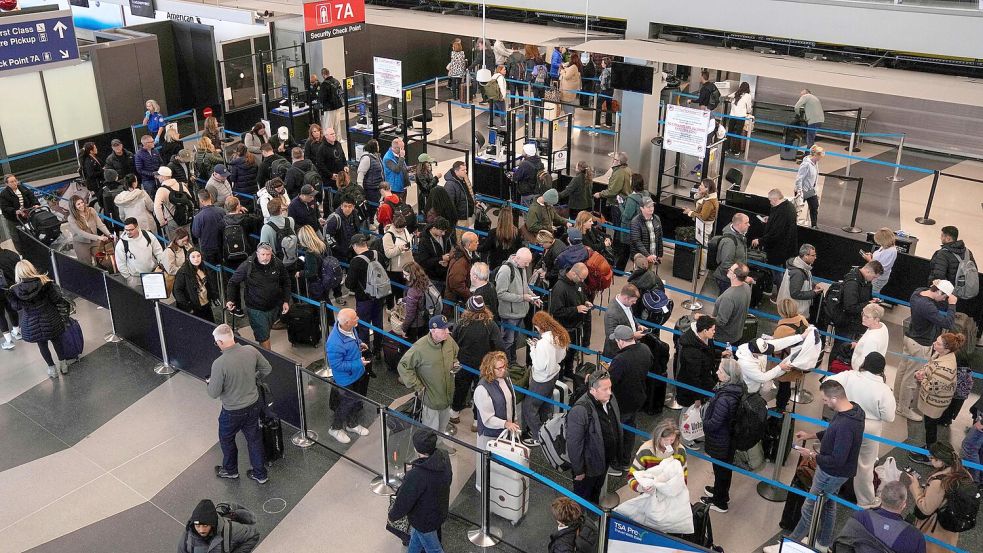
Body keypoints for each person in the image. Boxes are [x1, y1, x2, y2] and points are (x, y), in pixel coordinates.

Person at [762, 380, 865, 553]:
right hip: (840, 473)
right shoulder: (853, 410)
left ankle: (789, 545)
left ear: (834, 398)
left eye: (825, 400)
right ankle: (822, 543)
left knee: (809, 508)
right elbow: (832, 432)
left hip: (830, 473)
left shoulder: (845, 425)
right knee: (828, 505)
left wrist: (811, 455)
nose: (824, 403)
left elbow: (837, 459)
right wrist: (811, 435)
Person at [828, 352, 896, 508]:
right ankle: (865, 501)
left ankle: (829, 490)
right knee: (865, 464)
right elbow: (889, 417)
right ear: (882, 370)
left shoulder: (849, 376)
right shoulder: (884, 390)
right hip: (869, 427)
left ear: (865, 363)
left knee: (838, 455)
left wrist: (838, 403)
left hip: (845, 420)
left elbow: (827, 383)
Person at [207, 323, 272, 484]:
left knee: (226, 438)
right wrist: (253, 378)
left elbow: (213, 393)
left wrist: (210, 383)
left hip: (232, 410)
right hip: (254, 404)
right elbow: (267, 369)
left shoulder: (219, 363)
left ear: (220, 342)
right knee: (254, 439)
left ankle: (231, 470)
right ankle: (260, 474)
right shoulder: (250, 350)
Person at [896, 281, 958, 421]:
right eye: (944, 297)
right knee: (911, 378)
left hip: (910, 338)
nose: (944, 300)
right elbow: (948, 323)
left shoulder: (918, 292)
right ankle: (903, 409)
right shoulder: (927, 306)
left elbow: (932, 293)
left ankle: (897, 400)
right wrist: (952, 305)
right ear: (939, 292)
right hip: (920, 344)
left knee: (902, 371)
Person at [398, 315, 460, 445]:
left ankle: (439, 446)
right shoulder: (420, 348)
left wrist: (454, 362)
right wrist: (418, 385)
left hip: (447, 395)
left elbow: (455, 352)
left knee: (442, 426)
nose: (447, 332)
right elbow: (403, 366)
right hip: (431, 398)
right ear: (433, 330)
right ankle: (429, 451)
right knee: (430, 430)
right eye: (443, 329)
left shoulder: (448, 340)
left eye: (447, 328)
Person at [387, 429, 453, 553]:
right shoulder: (444, 456)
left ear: (416, 449)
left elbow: (404, 500)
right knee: (415, 540)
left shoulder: (416, 474)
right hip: (439, 510)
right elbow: (448, 479)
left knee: (434, 549)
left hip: (423, 520)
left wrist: (393, 515)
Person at [567, 369, 623, 503]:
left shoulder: (610, 399)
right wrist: (579, 471)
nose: (609, 392)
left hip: (604, 460)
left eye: (610, 387)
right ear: (592, 390)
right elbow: (574, 444)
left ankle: (593, 508)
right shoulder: (580, 410)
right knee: (582, 497)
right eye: (605, 389)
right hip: (589, 467)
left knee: (596, 492)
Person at [907, 442, 973, 553]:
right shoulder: (964, 473)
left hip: (935, 528)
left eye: (932, 458)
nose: (930, 459)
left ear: (941, 461)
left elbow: (926, 509)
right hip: (951, 524)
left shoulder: (939, 482)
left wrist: (916, 489)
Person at [698, 355, 745, 513]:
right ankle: (720, 492)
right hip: (728, 438)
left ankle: (720, 502)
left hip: (721, 439)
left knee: (721, 470)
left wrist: (703, 422)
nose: (717, 372)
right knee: (723, 470)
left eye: (720, 370)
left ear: (728, 376)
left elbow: (714, 423)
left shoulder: (725, 398)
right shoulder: (737, 389)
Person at [909, 332, 963, 463]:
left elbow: (932, 388)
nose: (934, 343)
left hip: (934, 404)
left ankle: (930, 454)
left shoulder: (946, 367)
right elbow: (930, 365)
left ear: (947, 348)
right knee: (929, 426)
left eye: (938, 343)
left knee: (930, 428)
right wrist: (922, 372)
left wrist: (921, 379)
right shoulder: (941, 354)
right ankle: (930, 447)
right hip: (931, 401)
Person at [8, 260, 68, 378]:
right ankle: (64, 365)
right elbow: (56, 299)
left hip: (32, 321)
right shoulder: (45, 282)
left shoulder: (15, 290)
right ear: (31, 268)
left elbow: (16, 307)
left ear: (18, 273)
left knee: (42, 345)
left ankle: (52, 369)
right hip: (50, 317)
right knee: (57, 341)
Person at [450, 296, 504, 425]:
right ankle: (476, 420)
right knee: (481, 392)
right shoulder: (491, 325)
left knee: (460, 388)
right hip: (483, 364)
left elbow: (453, 342)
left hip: (464, 363)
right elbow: (499, 345)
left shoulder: (461, 323)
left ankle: (455, 412)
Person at [226, 243, 290, 350]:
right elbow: (232, 282)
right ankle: (267, 358)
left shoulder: (277, 263)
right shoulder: (247, 266)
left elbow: (286, 281)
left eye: (268, 254)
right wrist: (230, 300)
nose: (265, 257)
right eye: (262, 254)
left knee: (266, 331)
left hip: (274, 306)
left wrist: (286, 301)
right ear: (257, 254)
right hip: (256, 309)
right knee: (263, 337)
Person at [607, 325, 654, 471]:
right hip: (638, 397)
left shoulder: (620, 359)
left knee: (617, 431)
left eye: (617, 341)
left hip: (622, 402)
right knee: (630, 429)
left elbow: (610, 382)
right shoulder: (645, 349)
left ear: (621, 341)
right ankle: (626, 460)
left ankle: (617, 464)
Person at [833, 480, 926, 553]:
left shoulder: (860, 517)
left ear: (881, 498)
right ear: (903, 505)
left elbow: (842, 543)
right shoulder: (915, 536)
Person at [521, 311, 570, 447]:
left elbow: (539, 365)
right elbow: (559, 357)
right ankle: (545, 430)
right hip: (554, 376)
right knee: (544, 405)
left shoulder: (543, 343)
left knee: (529, 407)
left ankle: (538, 436)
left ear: (539, 326)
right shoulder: (558, 335)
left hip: (541, 380)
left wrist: (533, 349)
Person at [325, 308, 372, 444]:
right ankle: (335, 428)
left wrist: (359, 343)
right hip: (345, 379)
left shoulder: (350, 328)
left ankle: (352, 424)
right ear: (346, 323)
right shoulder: (334, 343)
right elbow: (337, 365)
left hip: (357, 373)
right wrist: (358, 363)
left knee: (355, 401)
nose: (357, 319)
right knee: (346, 404)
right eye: (354, 318)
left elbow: (354, 339)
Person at [473, 350, 520, 486]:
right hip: (489, 435)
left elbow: (511, 400)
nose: (503, 370)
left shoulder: (505, 377)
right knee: (486, 465)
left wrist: (514, 419)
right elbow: (487, 418)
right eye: (499, 368)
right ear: (489, 369)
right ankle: (483, 487)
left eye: (504, 366)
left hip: (505, 431)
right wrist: (506, 423)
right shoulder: (482, 389)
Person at [496, 247, 541, 362]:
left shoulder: (522, 267)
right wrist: (522, 298)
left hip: (520, 312)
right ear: (518, 258)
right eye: (526, 262)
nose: (527, 265)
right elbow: (500, 294)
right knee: (508, 341)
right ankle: (505, 364)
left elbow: (525, 286)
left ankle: (512, 361)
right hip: (509, 314)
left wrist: (532, 297)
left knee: (514, 341)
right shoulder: (505, 270)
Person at [347, 234, 387, 355]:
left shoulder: (356, 261)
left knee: (363, 326)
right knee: (378, 323)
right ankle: (378, 349)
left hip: (364, 299)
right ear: (365, 243)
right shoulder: (378, 254)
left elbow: (349, 284)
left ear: (355, 246)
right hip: (380, 295)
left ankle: (366, 353)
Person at [752, 188, 798, 292]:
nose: (770, 202)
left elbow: (776, 233)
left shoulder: (783, 211)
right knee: (778, 271)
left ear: (775, 199)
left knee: (777, 272)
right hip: (785, 248)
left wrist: (760, 241)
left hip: (779, 249)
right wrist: (770, 219)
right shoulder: (788, 206)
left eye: (770, 200)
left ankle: (779, 293)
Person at [549, 263, 590, 372]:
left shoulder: (577, 283)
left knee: (572, 353)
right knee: (562, 355)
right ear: (573, 273)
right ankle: (560, 375)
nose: (582, 281)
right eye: (581, 278)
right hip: (564, 328)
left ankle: (569, 371)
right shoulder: (559, 288)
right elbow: (556, 311)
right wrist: (576, 309)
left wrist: (585, 301)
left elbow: (582, 295)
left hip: (575, 327)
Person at [177, 499, 260, 553]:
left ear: (212, 524)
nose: (201, 530)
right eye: (197, 526)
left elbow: (253, 536)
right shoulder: (189, 533)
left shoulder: (231, 530)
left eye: (205, 525)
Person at [629, 419, 688, 493]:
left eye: (672, 440)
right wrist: (641, 488)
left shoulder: (680, 450)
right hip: (650, 492)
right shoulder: (645, 450)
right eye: (666, 440)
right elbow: (631, 476)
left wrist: (680, 488)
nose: (669, 443)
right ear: (658, 437)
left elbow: (683, 473)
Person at [114, 217, 171, 290]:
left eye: (131, 230)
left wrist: (161, 266)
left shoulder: (147, 235)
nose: (128, 232)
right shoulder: (121, 244)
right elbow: (120, 263)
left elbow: (158, 251)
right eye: (126, 230)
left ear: (137, 227)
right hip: (135, 279)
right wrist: (128, 277)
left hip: (152, 274)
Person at [712, 263, 752, 345]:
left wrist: (703, 318)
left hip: (723, 338)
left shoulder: (728, 297)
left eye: (730, 269)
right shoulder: (746, 287)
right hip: (736, 334)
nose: (728, 269)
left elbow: (721, 321)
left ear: (734, 276)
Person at [776, 243, 821, 317]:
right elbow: (795, 293)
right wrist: (814, 293)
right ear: (805, 256)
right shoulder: (798, 272)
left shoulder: (801, 266)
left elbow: (802, 283)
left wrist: (813, 286)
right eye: (813, 255)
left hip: (793, 310)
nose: (815, 257)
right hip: (795, 312)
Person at [67, 194, 111, 266]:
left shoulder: (91, 210)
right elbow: (81, 233)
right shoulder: (71, 218)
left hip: (94, 241)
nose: (81, 205)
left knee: (102, 259)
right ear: (73, 207)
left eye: (82, 202)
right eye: (78, 204)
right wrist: (98, 237)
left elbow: (100, 224)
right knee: (87, 265)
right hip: (81, 243)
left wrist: (109, 234)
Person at [173, 249, 216, 322]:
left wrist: (213, 296)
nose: (196, 259)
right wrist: (187, 307)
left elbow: (209, 284)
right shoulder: (183, 272)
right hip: (194, 306)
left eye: (198, 256)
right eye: (193, 257)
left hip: (205, 303)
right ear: (188, 258)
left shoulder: (203, 267)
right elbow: (177, 291)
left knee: (210, 323)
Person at [602, 284, 645, 358]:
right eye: (633, 301)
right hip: (617, 353)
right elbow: (611, 337)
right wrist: (633, 336)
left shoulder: (626, 303)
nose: (634, 303)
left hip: (628, 348)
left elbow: (630, 316)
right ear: (626, 298)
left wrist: (638, 325)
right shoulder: (611, 313)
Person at [712, 212, 750, 293]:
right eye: (746, 223)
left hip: (733, 278)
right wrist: (743, 278)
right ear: (739, 224)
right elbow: (726, 265)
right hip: (726, 280)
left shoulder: (739, 235)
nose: (749, 225)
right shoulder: (729, 242)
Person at [398, 261, 435, 342]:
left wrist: (404, 328)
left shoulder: (413, 290)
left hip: (415, 324)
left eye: (406, 275)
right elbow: (418, 299)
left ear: (413, 275)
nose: (404, 277)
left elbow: (410, 314)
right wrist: (404, 299)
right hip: (426, 318)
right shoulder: (425, 281)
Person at [382, 213, 414, 303]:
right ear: (393, 224)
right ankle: (392, 307)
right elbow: (388, 253)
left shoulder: (405, 230)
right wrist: (400, 248)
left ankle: (401, 307)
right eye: (398, 228)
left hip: (407, 267)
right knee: (394, 292)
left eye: (402, 228)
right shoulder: (388, 236)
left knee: (403, 292)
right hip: (395, 270)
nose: (400, 230)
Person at [415, 217, 453, 291]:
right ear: (434, 228)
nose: (443, 233)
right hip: (432, 278)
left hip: (445, 275)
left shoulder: (445, 237)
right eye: (441, 231)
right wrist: (440, 259)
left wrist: (448, 259)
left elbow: (449, 250)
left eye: (445, 231)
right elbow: (423, 262)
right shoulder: (424, 241)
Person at [153, 167, 192, 238]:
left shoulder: (161, 190)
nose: (158, 177)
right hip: (185, 217)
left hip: (171, 220)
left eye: (159, 175)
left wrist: (162, 222)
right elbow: (190, 199)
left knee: (175, 242)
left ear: (163, 177)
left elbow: (157, 207)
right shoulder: (181, 185)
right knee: (187, 240)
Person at [191, 189, 226, 267]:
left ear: (201, 201)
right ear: (210, 196)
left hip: (207, 248)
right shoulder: (222, 211)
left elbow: (196, 234)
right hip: (222, 246)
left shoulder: (198, 217)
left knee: (210, 270)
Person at [594, 152, 632, 223]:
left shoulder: (619, 173)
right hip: (623, 203)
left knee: (617, 224)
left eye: (614, 159)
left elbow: (613, 191)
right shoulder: (627, 169)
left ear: (619, 162)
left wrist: (600, 194)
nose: (613, 161)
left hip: (617, 204)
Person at [850, 303, 889, 371]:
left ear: (876, 320)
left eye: (867, 317)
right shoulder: (882, 326)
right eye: (863, 314)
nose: (863, 318)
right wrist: (859, 345)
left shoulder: (872, 340)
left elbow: (864, 362)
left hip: (859, 371)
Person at [628, 196, 663, 267]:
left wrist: (660, 254)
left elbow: (659, 237)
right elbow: (636, 241)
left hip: (653, 258)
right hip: (640, 259)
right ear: (641, 208)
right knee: (640, 274)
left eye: (652, 206)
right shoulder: (635, 221)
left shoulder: (657, 218)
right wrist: (647, 255)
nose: (651, 208)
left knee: (650, 273)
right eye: (648, 207)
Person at [862, 228, 898, 295]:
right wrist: (872, 256)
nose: (878, 243)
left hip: (879, 278)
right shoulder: (884, 246)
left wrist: (869, 259)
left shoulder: (891, 252)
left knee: (873, 294)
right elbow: (879, 259)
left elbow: (881, 268)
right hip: (875, 275)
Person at [795, 145, 824, 227]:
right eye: (820, 156)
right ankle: (792, 224)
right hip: (802, 191)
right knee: (797, 210)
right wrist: (800, 191)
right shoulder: (806, 164)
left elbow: (815, 177)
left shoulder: (815, 163)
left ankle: (814, 225)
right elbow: (799, 178)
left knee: (814, 207)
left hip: (811, 191)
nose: (821, 158)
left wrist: (815, 189)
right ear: (816, 155)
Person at [443, 161, 475, 236]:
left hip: (465, 215)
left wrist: (474, 202)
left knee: (464, 235)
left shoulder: (463, 180)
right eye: (463, 170)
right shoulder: (450, 185)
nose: (465, 171)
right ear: (456, 171)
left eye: (466, 169)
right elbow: (450, 204)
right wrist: (454, 219)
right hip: (459, 218)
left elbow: (468, 194)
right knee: (458, 236)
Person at [357, 139, 385, 223]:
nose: (379, 147)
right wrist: (360, 187)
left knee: (375, 206)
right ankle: (369, 222)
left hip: (377, 186)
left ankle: (371, 221)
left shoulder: (377, 157)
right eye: (377, 145)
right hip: (370, 188)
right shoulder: (366, 158)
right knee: (371, 207)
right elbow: (361, 173)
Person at [726, 82, 754, 155]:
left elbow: (729, 96)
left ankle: (726, 149)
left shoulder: (736, 93)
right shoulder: (748, 96)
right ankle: (736, 151)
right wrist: (748, 111)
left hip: (732, 116)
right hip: (741, 117)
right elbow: (749, 108)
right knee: (738, 134)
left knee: (729, 133)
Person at [318, 69, 346, 140]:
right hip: (338, 106)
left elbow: (322, 98)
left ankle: (329, 140)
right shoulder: (336, 81)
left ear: (323, 75)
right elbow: (341, 93)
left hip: (329, 108)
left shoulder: (324, 84)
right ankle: (338, 139)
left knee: (328, 126)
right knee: (337, 125)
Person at [383, 138, 410, 203]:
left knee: (403, 206)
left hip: (403, 186)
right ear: (395, 148)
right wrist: (402, 157)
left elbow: (402, 166)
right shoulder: (388, 158)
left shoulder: (398, 154)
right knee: (397, 206)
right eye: (402, 148)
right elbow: (397, 169)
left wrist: (408, 169)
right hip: (395, 188)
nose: (403, 150)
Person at [415, 154, 439, 218]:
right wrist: (436, 178)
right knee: (427, 216)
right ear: (423, 164)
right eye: (428, 162)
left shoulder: (427, 171)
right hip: (425, 198)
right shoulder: (420, 174)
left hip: (430, 196)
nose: (429, 164)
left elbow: (432, 182)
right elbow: (427, 187)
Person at [447, 38, 468, 103]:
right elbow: (463, 62)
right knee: (459, 84)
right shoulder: (462, 53)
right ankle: (459, 96)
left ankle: (454, 97)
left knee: (453, 84)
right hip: (460, 72)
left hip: (453, 71)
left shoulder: (452, 53)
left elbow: (452, 62)